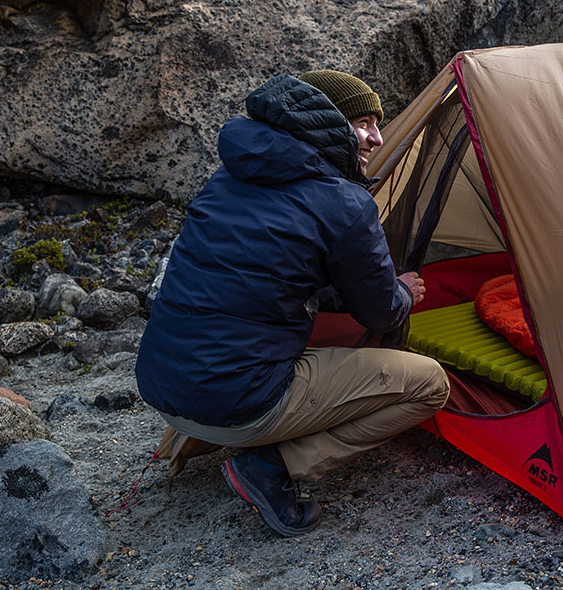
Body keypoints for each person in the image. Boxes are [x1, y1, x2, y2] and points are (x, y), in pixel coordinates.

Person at [135, 70, 450, 537]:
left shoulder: (229, 178)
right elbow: (381, 312)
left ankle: (210, 436)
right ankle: (273, 464)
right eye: (364, 124)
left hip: (164, 389)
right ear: (329, 123)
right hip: (238, 407)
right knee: (429, 384)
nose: (378, 139)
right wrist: (402, 291)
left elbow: (274, 281)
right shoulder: (342, 202)